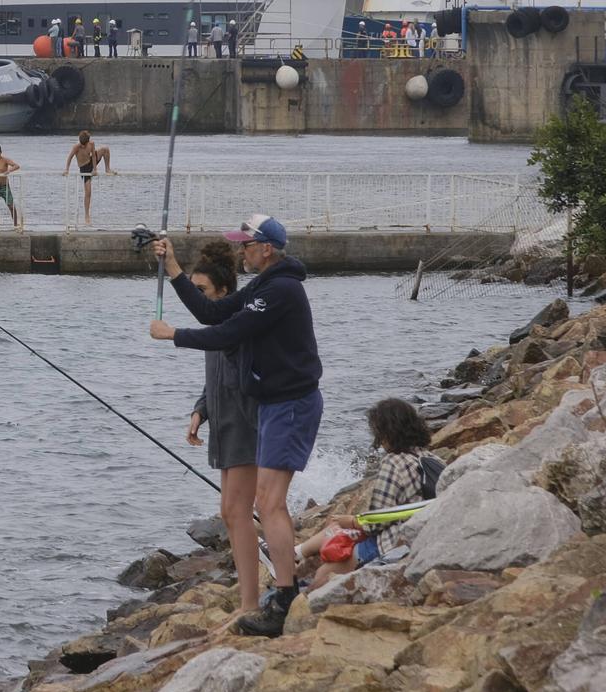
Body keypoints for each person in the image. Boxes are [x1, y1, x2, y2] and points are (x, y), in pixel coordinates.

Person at [149, 213, 322, 637]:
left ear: (267, 249)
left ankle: (285, 597)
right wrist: (171, 267)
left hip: (291, 404)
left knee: (269, 503)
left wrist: (173, 335)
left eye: (247, 244)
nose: (241, 250)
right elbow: (211, 312)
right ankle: (280, 594)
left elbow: (227, 333)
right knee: (261, 503)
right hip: (274, 406)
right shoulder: (262, 288)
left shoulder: (280, 290)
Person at [175, 240, 262, 615]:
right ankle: (251, 589)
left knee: (237, 512)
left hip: (246, 425)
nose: (198, 300)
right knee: (230, 513)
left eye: (202, 292)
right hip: (223, 426)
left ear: (224, 292)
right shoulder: (217, 323)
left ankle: (251, 602)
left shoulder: (236, 323)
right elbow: (215, 379)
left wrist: (171, 333)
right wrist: (200, 411)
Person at [295, 399, 437, 588]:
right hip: (427, 534)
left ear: (385, 432)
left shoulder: (393, 463)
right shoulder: (432, 459)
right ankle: (296, 553)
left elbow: (375, 523)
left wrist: (351, 521)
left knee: (324, 573)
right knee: (338, 530)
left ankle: (293, 597)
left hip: (394, 542)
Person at [61, 130, 112, 225]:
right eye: (82, 144)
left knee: (105, 149)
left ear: (88, 141)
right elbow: (69, 158)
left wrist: (95, 169)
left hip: (91, 163)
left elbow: (93, 156)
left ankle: (107, 169)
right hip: (84, 168)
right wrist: (66, 170)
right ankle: (87, 216)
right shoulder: (76, 147)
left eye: (85, 144)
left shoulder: (91, 144)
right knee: (88, 192)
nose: (83, 146)